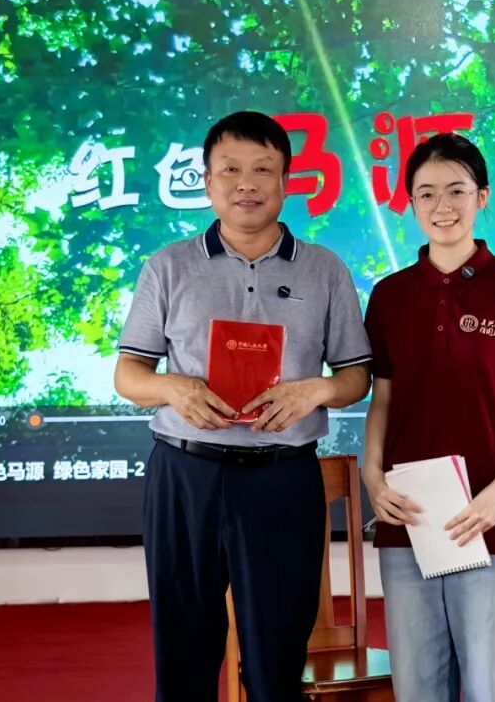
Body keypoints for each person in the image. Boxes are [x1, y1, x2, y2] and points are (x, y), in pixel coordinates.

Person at [114, 111, 372, 702]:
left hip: (282, 478)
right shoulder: (168, 267)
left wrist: (316, 390)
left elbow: (356, 376)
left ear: (286, 182)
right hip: (185, 475)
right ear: (207, 182)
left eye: (263, 170)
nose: (246, 184)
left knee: (277, 662)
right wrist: (174, 389)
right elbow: (129, 375)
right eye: (230, 170)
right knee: (184, 655)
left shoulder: (325, 270)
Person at [362, 132, 495, 702]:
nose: (441, 205)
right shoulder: (390, 296)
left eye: (456, 190)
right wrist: (372, 476)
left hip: (492, 520)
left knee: (492, 689)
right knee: (417, 688)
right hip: (410, 518)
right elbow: (383, 400)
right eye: (426, 193)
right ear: (410, 203)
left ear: (482, 197)